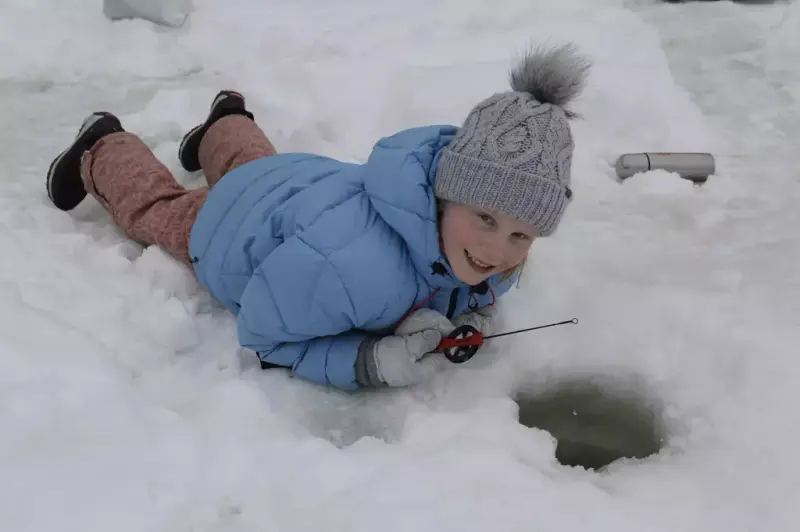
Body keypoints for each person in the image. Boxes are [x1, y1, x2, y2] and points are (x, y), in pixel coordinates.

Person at [45, 43, 590, 390]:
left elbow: (477, 287)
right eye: (487, 220)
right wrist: (369, 362)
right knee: (161, 211)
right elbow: (264, 334)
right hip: (231, 227)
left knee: (257, 166)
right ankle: (104, 145)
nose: (497, 252)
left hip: (301, 184)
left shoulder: (489, 254)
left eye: (523, 234)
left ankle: (225, 121)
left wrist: (469, 320)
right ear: (445, 195)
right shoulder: (352, 270)